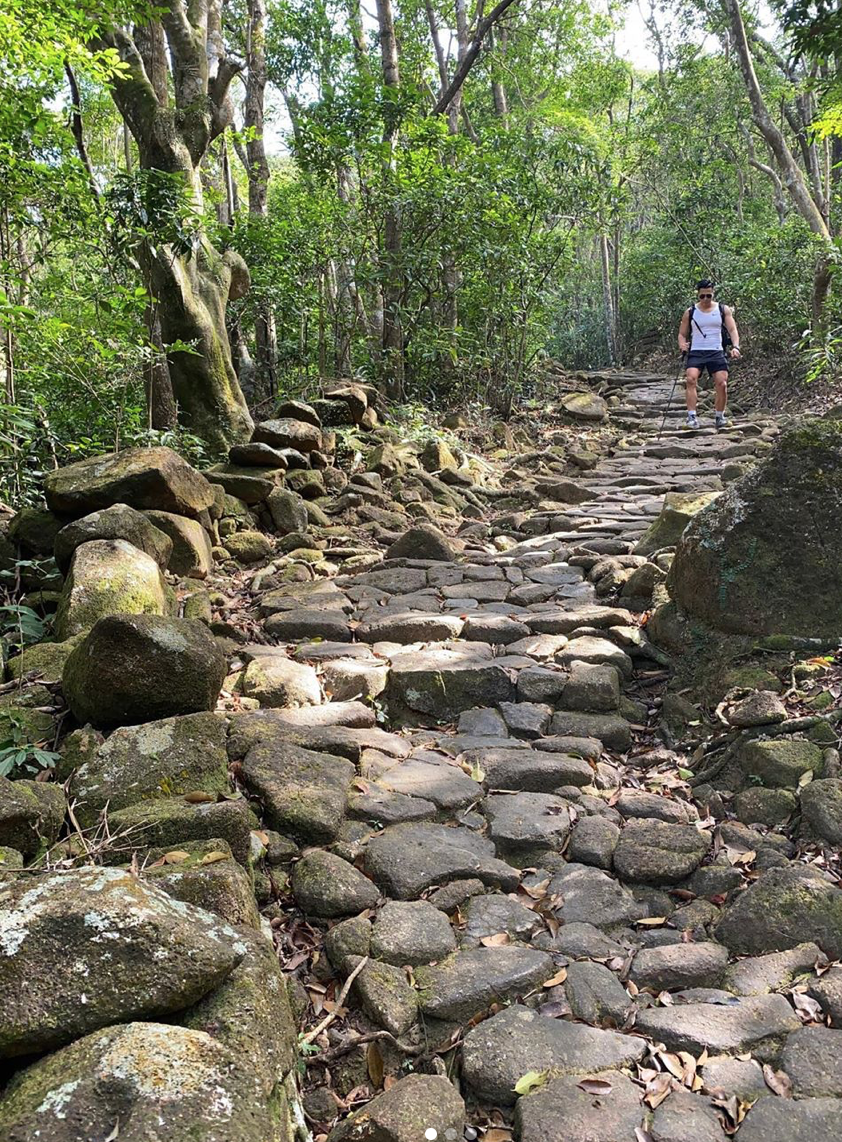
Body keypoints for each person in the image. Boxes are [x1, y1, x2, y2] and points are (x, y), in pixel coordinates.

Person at [677, 279, 741, 429]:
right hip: (697, 351)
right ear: (697, 295)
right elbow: (682, 334)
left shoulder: (723, 309)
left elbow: (732, 330)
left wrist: (736, 347)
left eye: (709, 296)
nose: (705, 299)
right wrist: (682, 344)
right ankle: (692, 416)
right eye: (702, 296)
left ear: (713, 294)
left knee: (722, 383)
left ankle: (720, 416)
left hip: (716, 350)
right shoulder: (690, 312)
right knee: (690, 379)